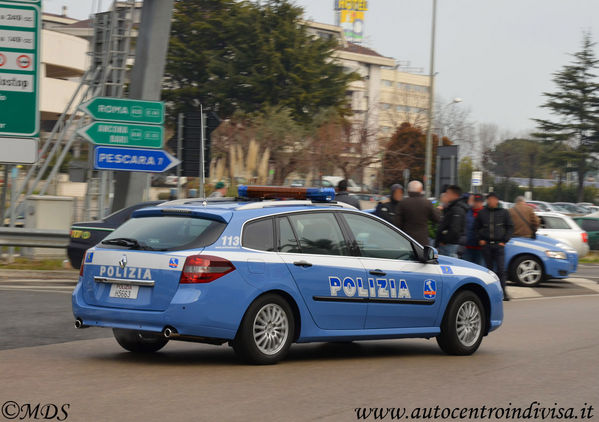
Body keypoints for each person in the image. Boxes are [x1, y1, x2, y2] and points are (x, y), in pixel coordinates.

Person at [475, 192, 514, 301]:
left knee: (501, 270)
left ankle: (503, 292)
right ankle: (489, 293)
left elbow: (510, 227)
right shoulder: (482, 213)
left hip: (499, 245)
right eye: (489, 199)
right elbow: (476, 228)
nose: (491, 201)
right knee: (488, 270)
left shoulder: (504, 212)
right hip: (486, 245)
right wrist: (480, 239)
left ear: (497, 200)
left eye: (493, 199)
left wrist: (504, 240)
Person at [396, 180, 440, 246]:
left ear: (408, 190)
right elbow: (437, 219)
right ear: (421, 190)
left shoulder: (403, 203)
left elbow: (397, 223)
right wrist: (438, 209)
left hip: (406, 239)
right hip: (422, 240)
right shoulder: (427, 203)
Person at [435, 185, 468, 258]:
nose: (446, 195)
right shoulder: (451, 207)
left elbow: (455, 229)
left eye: (447, 193)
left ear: (454, 195)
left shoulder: (457, 209)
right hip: (448, 245)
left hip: (450, 245)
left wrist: (444, 241)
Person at [463, 193, 486, 266]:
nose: (476, 203)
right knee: (466, 268)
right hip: (468, 246)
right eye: (475, 201)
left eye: (479, 201)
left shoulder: (486, 213)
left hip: (481, 248)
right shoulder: (468, 212)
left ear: (482, 202)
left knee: (479, 269)